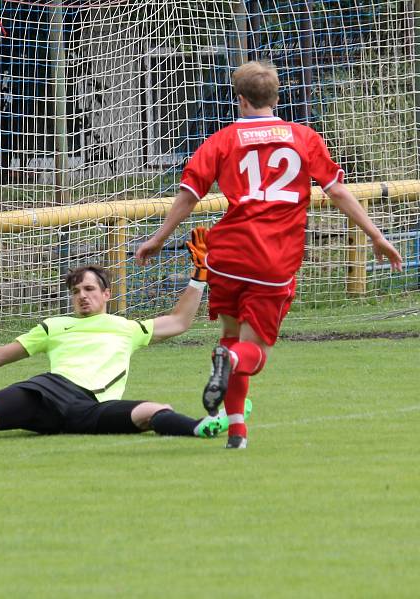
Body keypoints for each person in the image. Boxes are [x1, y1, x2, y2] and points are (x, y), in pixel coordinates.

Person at [135, 61, 403, 449]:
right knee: (253, 353)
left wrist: (158, 238)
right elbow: (338, 191)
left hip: (225, 253)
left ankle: (237, 432)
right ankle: (229, 370)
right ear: (276, 98)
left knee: (229, 337)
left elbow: (189, 195)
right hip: (273, 257)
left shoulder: (222, 140)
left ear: (240, 101)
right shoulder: (303, 137)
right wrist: (377, 236)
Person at [0, 238, 252, 449]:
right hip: (50, 391)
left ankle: (203, 428)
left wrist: (200, 276)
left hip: (90, 409)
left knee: (153, 411)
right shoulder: (54, 325)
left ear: (107, 293)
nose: (82, 295)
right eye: (77, 290)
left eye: (90, 289)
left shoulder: (127, 327)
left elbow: (181, 321)